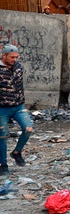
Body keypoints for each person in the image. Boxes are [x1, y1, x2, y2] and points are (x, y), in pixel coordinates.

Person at [0, 44, 33, 174]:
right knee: (2, 136)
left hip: (18, 106)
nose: (15, 59)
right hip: (2, 108)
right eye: (12, 57)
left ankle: (16, 152)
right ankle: (3, 164)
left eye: (16, 57)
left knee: (28, 128)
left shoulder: (18, 67)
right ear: (4, 56)